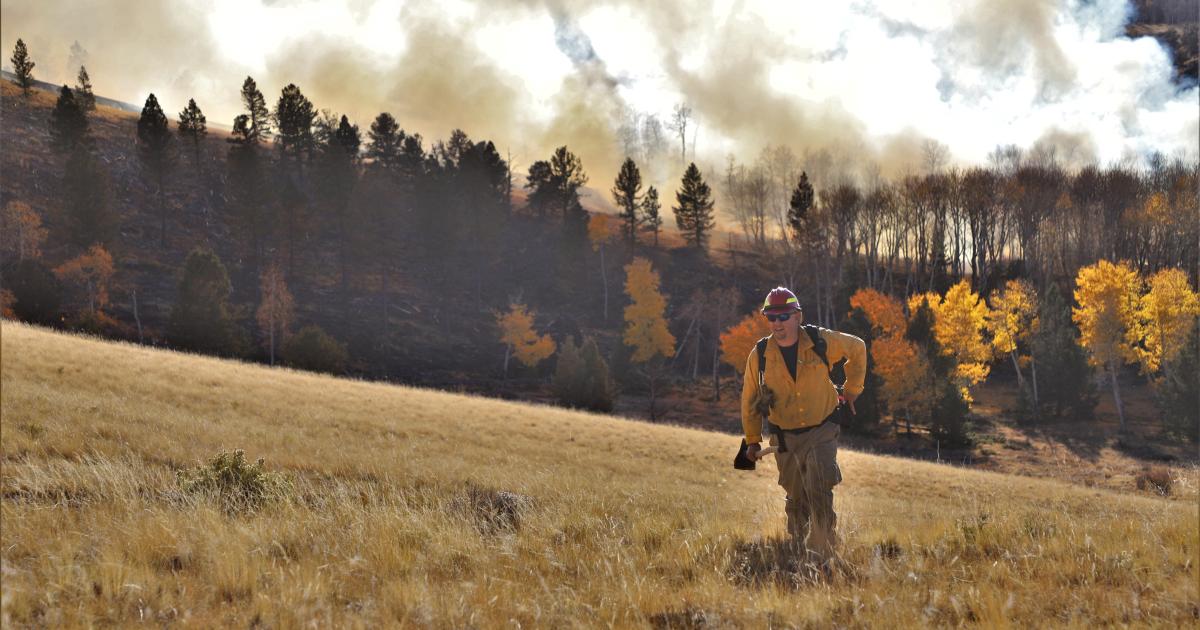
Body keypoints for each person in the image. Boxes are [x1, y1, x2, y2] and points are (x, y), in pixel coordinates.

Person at [740, 286, 866, 572]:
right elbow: (750, 398)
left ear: (798, 316)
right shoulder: (759, 355)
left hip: (822, 428)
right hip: (784, 437)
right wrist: (752, 439)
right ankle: (797, 552)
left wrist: (852, 390)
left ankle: (824, 553)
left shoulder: (821, 340)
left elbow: (857, 347)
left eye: (784, 316)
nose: (777, 323)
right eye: (771, 317)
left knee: (819, 485)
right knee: (796, 498)